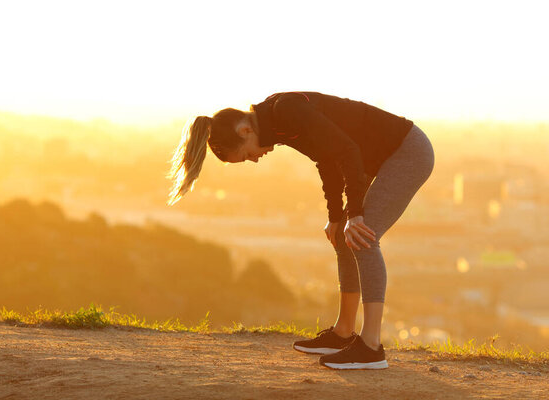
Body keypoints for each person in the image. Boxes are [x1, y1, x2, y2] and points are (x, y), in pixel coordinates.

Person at [166, 91, 435, 370]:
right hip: (374, 157)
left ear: (245, 130)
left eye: (247, 155)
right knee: (344, 235)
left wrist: (354, 214)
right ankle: (343, 332)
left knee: (363, 235)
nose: (255, 160)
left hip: (406, 152)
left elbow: (346, 152)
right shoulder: (278, 120)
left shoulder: (286, 112)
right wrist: (335, 217)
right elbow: (327, 159)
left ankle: (371, 347)